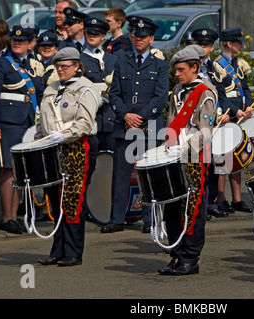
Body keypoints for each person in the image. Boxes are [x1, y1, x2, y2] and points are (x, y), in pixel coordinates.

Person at [102, 16, 169, 234]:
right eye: (134, 35)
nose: (137, 39)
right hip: (125, 126)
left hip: (149, 126)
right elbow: (114, 95)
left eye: (142, 36)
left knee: (150, 174)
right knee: (121, 175)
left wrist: (138, 118)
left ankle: (150, 219)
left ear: (151, 38)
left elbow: (160, 99)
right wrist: (126, 116)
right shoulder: (121, 62)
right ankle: (117, 218)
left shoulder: (160, 65)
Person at [36, 47, 100, 267]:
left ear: (77, 66)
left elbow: (85, 123)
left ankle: (73, 252)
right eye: (58, 67)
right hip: (53, 148)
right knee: (55, 200)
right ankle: (58, 249)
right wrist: (38, 143)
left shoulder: (86, 88)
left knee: (72, 199)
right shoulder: (51, 88)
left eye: (65, 67)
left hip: (77, 147)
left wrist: (62, 137)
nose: (61, 70)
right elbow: (41, 121)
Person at [158, 44, 217, 275]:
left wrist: (184, 148)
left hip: (194, 158)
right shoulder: (177, 90)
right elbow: (172, 122)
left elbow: (205, 131)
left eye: (181, 69)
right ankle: (176, 252)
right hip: (175, 156)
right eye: (176, 69)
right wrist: (168, 146)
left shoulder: (205, 92)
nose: (177, 73)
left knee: (192, 208)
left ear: (195, 67)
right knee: (172, 206)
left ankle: (190, 258)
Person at [0, 25, 44, 234]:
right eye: (14, 39)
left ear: (31, 43)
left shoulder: (32, 65)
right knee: (9, 169)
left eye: (23, 40)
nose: (17, 43)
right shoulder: (1, 63)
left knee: (21, 170)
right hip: (8, 122)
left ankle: (14, 215)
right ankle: (7, 217)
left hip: (27, 122)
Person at [213, 27, 253, 213]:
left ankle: (237, 198)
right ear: (229, 44)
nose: (241, 45)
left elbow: (245, 88)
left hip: (239, 115)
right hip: (226, 115)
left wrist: (248, 106)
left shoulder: (238, 64)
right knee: (222, 158)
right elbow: (219, 95)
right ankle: (221, 197)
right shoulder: (217, 65)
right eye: (238, 42)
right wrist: (236, 110)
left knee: (237, 156)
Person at [191, 28, 228, 219]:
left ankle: (212, 201)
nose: (202, 48)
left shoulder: (215, 68)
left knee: (216, 164)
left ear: (212, 47)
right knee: (199, 163)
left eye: (206, 45)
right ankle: (201, 203)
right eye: (199, 44)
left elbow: (221, 93)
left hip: (217, 121)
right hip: (198, 122)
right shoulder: (191, 66)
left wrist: (225, 112)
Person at [80, 17, 117, 152]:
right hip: (90, 118)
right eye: (89, 33)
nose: (91, 36)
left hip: (111, 118)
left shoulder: (113, 59)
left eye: (96, 34)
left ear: (103, 36)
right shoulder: (79, 60)